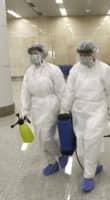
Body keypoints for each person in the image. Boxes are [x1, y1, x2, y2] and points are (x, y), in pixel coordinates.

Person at [62, 40, 110, 192]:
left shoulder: (105, 70)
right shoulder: (75, 69)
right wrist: (65, 107)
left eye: (87, 54)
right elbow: (70, 90)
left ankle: (88, 176)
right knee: (81, 144)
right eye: (82, 54)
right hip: (79, 110)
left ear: (94, 54)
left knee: (91, 139)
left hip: (97, 110)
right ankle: (95, 164)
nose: (84, 57)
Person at [21, 44, 68, 176]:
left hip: (51, 104)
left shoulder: (53, 70)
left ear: (42, 54)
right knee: (42, 137)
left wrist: (65, 107)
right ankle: (51, 162)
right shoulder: (29, 72)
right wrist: (24, 110)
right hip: (37, 107)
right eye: (31, 54)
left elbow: (61, 89)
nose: (33, 56)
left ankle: (60, 154)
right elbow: (25, 92)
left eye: (35, 53)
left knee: (47, 136)